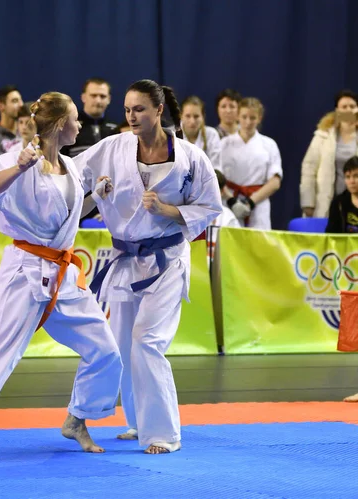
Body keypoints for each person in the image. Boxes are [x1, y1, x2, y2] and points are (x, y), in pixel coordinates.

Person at [0, 91, 122, 466]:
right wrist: (19, 167)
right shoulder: (18, 160)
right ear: (58, 125)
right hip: (26, 272)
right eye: (74, 118)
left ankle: (77, 419)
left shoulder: (70, 167)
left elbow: (67, 216)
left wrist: (95, 197)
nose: (80, 124)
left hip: (64, 276)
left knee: (106, 351)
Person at [74, 80, 221, 454]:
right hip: (125, 259)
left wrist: (168, 210)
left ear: (158, 111)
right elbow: (71, 177)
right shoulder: (112, 148)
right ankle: (137, 423)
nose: (131, 117)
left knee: (148, 340)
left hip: (168, 260)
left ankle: (163, 434)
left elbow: (209, 209)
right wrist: (93, 192)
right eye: (126, 110)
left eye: (139, 109)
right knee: (122, 343)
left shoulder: (191, 158)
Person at [220, 98, 282, 229]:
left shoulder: (269, 145)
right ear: (238, 116)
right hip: (229, 202)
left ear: (259, 118)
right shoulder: (224, 144)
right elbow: (217, 177)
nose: (248, 122)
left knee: (258, 245)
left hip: (258, 204)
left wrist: (251, 202)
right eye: (244, 117)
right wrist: (232, 200)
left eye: (252, 118)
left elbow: (275, 182)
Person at [300, 90, 358, 218]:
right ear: (337, 111)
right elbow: (309, 169)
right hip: (327, 201)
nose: (348, 110)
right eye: (344, 107)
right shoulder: (323, 135)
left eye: (352, 106)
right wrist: (308, 203)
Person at [61, 78, 118, 157]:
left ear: (109, 99)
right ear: (83, 97)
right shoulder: (69, 127)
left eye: (102, 96)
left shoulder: (116, 129)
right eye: (93, 95)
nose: (98, 101)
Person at [181, 95, 222, 170]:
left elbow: (216, 169)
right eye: (188, 116)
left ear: (203, 117)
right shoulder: (171, 135)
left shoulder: (211, 134)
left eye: (196, 116)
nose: (192, 121)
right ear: (181, 116)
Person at [0, 85, 23, 159]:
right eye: (15, 101)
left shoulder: (27, 132)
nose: (21, 104)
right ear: (1, 106)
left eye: (20, 100)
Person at [325, 157, 358, 233]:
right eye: (348, 177)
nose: (352, 181)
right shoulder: (338, 203)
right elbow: (331, 235)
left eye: (356, 176)